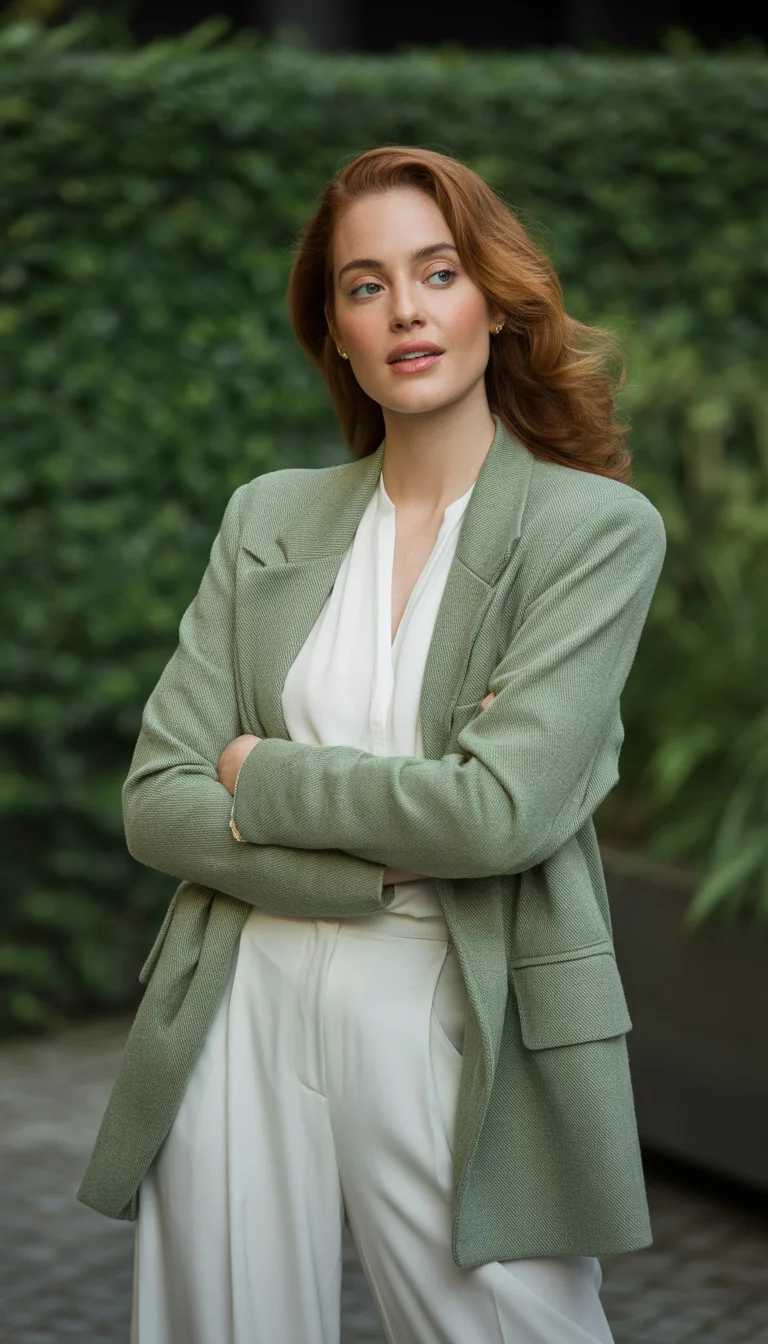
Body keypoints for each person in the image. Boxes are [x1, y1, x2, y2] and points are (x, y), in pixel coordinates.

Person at [78, 145, 667, 1343]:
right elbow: (156, 800)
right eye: (363, 285)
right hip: (238, 984)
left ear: (493, 300)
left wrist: (259, 773)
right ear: (335, 332)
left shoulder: (594, 531)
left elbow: (495, 818)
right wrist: (377, 847)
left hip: (460, 997)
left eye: (436, 271)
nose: (403, 309)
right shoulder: (268, 517)